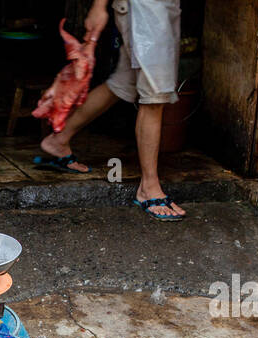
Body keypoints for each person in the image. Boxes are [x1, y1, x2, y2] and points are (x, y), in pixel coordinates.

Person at [38, 0, 185, 222]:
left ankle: (59, 140)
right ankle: (149, 188)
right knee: (155, 95)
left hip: (157, 8)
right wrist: (99, 6)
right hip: (146, 10)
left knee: (123, 83)